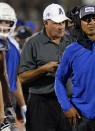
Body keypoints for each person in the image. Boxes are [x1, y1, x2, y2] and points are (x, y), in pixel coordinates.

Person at [18, 3, 72, 131]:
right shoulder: (32, 43)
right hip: (41, 103)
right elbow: (22, 77)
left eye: (62, 23)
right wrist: (43, 69)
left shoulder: (70, 42)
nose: (61, 27)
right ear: (46, 22)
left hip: (66, 103)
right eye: (56, 23)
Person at [0, 2, 23, 130]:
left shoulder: (13, 45)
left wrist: (17, 105)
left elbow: (11, 77)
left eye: (7, 22)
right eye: (1, 21)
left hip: (9, 99)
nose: (4, 26)